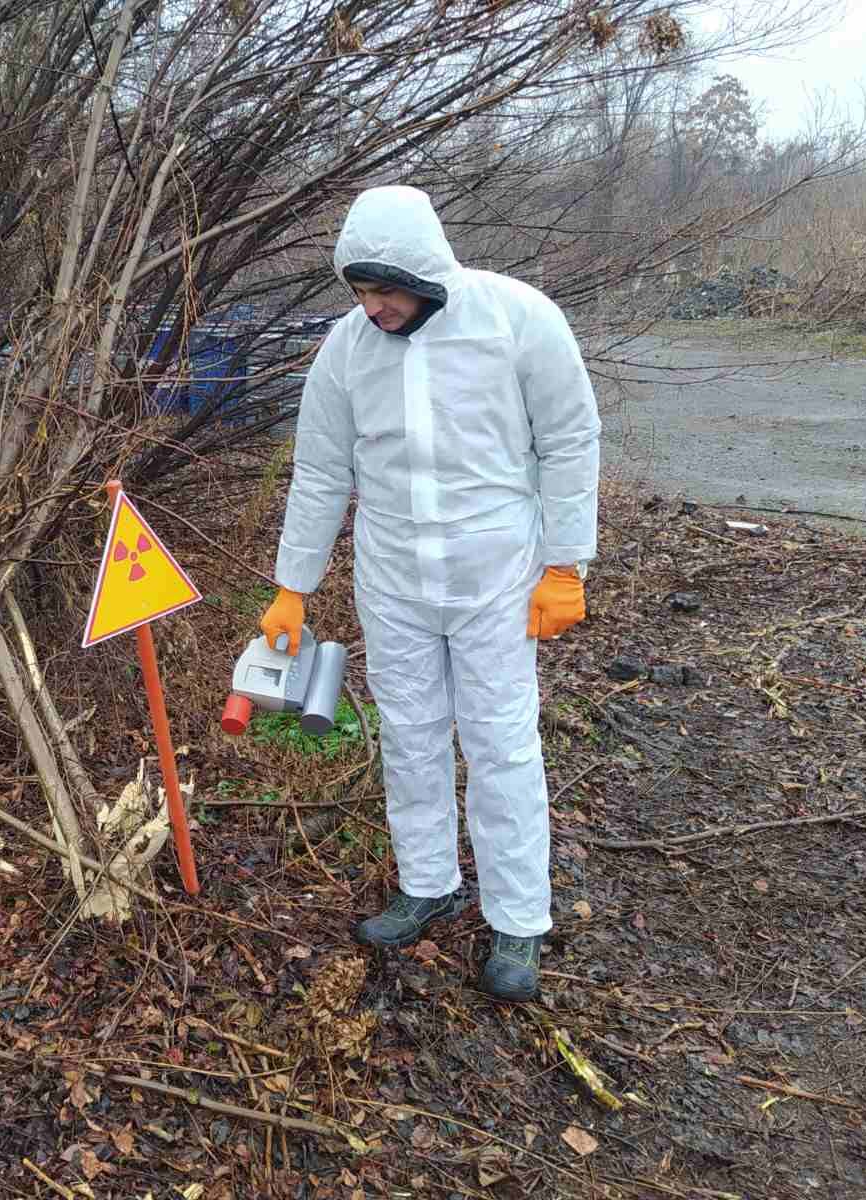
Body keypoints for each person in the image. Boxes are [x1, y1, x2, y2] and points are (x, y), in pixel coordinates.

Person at [261, 185, 600, 1002]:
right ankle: (428, 882)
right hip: (395, 576)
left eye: (386, 290)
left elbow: (568, 437)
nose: (373, 308)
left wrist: (566, 563)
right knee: (410, 734)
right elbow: (320, 471)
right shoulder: (346, 350)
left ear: (426, 272)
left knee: (500, 742)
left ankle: (518, 919)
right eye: (360, 292)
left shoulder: (515, 320)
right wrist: (292, 587)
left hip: (496, 573)